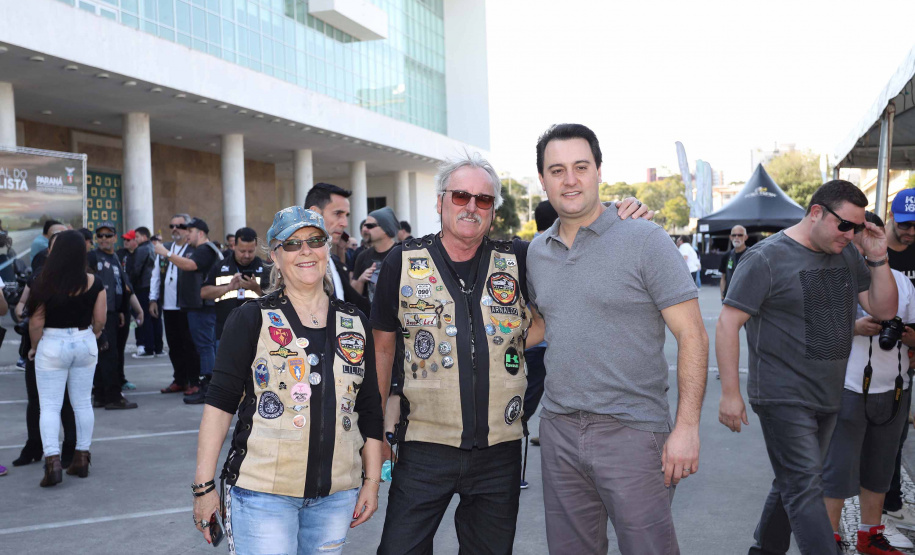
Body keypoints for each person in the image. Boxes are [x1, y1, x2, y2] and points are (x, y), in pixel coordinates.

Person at [371, 150, 650, 553]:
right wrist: (377, 430)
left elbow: (565, 288)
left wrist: (619, 217)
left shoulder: (518, 258)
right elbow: (382, 348)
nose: (471, 207)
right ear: (440, 202)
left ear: (493, 210)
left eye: (483, 200)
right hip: (424, 447)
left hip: (498, 452)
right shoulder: (403, 260)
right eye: (461, 196)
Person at [529, 124, 707, 554]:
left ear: (599, 171)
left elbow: (693, 335)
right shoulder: (537, 251)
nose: (570, 180)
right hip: (558, 431)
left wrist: (686, 428)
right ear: (543, 180)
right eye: (557, 170)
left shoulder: (645, 238)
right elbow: (543, 323)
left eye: (580, 167)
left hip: (633, 433)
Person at [717, 180, 898, 553]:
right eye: (844, 225)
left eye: (857, 227)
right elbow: (727, 323)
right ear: (816, 212)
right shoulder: (766, 258)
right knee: (805, 489)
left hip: (827, 394)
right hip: (781, 395)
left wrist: (878, 257)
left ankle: (763, 550)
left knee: (792, 481)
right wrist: (730, 394)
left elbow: (884, 310)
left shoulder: (847, 254)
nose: (850, 235)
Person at [191, 206, 383, 551]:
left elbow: (368, 409)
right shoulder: (251, 318)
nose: (305, 250)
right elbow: (220, 406)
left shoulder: (355, 321)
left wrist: (371, 481)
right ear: (275, 257)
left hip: (336, 495)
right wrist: (204, 488)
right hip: (262, 494)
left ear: (327, 247)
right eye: (292, 244)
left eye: (315, 240)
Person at [822, 211, 915, 554]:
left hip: (894, 389)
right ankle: (828, 538)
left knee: (880, 467)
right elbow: (813, 333)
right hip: (847, 387)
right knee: (837, 469)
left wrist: (906, 335)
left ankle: (869, 535)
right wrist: (855, 328)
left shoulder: (902, 283)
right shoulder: (835, 277)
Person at [26, 230, 106, 486]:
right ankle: (82, 458)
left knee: (49, 405)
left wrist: (34, 347)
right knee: (82, 403)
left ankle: (53, 463)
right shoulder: (95, 282)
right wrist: (89, 335)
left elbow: (36, 322)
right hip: (84, 341)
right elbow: (101, 320)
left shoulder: (42, 281)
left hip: (52, 342)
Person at [13, 232, 78, 469]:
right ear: (49, 251)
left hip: (63, 347)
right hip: (34, 345)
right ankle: (34, 446)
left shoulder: (81, 279)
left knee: (67, 401)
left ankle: (70, 448)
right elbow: (22, 303)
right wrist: (21, 311)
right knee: (35, 400)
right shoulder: (38, 277)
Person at [155, 218, 223, 405]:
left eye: (190, 231)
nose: (186, 234)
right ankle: (205, 385)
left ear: (200, 233)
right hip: (196, 306)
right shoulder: (200, 250)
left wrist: (166, 253)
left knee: (204, 347)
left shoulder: (205, 249)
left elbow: (190, 266)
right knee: (203, 346)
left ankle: (208, 387)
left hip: (203, 306)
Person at [881, 189, 915, 531]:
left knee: (897, 435)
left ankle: (891, 500)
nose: (911, 232)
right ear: (891, 216)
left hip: (906, 360)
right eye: (906, 224)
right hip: (863, 358)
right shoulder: (876, 250)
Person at [88, 222, 142, 410]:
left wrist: (124, 310)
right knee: (108, 355)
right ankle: (112, 396)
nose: (104, 239)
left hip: (115, 312)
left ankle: (103, 395)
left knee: (112, 354)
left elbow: (122, 287)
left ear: (114, 237)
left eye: (108, 235)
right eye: (100, 236)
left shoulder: (116, 258)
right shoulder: (93, 257)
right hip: (100, 313)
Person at [151, 214, 200, 396]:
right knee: (174, 345)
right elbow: (155, 276)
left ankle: (194, 380)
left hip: (186, 305)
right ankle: (180, 379)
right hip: (168, 305)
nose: (175, 229)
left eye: (179, 225)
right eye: (172, 225)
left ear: (187, 228)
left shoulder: (193, 249)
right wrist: (153, 299)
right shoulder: (165, 248)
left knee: (190, 345)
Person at [304, 182, 371, 314]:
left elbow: (355, 305)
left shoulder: (335, 262)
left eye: (346, 215)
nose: (344, 223)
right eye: (338, 214)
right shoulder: (296, 263)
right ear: (314, 214)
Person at [524, 200, 559, 450]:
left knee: (532, 396)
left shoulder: (526, 249)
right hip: (545, 341)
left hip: (530, 339)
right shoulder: (548, 248)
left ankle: (544, 432)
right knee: (528, 401)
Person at [200, 226, 268, 343]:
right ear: (234, 246)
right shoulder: (220, 266)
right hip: (225, 332)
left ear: (256, 247)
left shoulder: (265, 268)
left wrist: (256, 288)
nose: (246, 255)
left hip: (258, 333)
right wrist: (228, 288)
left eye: (250, 251)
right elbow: (203, 293)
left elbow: (275, 299)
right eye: (242, 251)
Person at [129, 226, 163, 359]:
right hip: (154, 287)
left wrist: (131, 284)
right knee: (155, 317)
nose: (136, 240)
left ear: (144, 237)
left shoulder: (142, 249)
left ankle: (149, 348)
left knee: (146, 317)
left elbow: (136, 270)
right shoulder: (154, 248)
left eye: (137, 237)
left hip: (143, 287)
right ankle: (158, 348)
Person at [352, 207, 398, 302]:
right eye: (364, 225)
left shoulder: (401, 254)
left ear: (385, 229)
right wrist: (361, 280)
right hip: (370, 316)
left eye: (370, 226)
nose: (364, 229)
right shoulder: (362, 256)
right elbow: (353, 296)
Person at [719, 225, 748, 301]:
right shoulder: (727, 256)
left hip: (747, 299)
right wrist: (722, 296)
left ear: (746, 237)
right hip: (729, 298)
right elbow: (723, 277)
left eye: (740, 235)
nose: (736, 237)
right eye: (734, 235)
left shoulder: (752, 255)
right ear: (730, 237)